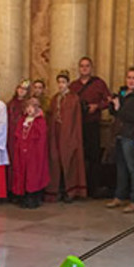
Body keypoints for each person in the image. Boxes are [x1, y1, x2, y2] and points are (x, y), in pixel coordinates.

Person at [107, 67, 134, 212]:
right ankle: (119, 196)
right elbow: (115, 112)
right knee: (121, 168)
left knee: (133, 169)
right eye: (129, 77)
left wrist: (119, 108)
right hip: (120, 133)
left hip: (132, 136)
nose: (131, 81)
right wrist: (112, 104)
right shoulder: (123, 93)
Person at [71, 57, 112, 197]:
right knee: (79, 156)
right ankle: (79, 187)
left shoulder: (99, 83)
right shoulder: (74, 86)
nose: (84, 68)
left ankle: (93, 188)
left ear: (91, 67)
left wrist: (97, 106)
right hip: (77, 125)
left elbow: (108, 100)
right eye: (82, 66)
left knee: (94, 156)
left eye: (87, 66)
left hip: (93, 124)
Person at [46, 71, 87, 203]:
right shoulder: (55, 98)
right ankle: (57, 189)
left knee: (69, 160)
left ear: (68, 83)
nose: (61, 85)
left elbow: (76, 119)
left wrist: (74, 136)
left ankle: (71, 190)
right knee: (55, 160)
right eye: (59, 82)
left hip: (69, 134)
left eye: (63, 82)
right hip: (56, 133)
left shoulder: (73, 98)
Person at [9, 97, 48, 208]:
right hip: (22, 151)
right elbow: (19, 134)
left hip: (34, 153)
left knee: (33, 173)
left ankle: (33, 197)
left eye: (32, 107)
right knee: (22, 172)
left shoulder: (40, 121)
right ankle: (23, 195)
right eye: (28, 107)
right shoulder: (23, 120)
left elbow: (40, 138)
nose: (30, 109)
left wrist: (31, 147)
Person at [6, 80, 31, 195]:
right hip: (11, 136)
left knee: (21, 163)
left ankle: (21, 190)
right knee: (11, 162)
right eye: (19, 88)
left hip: (23, 137)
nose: (21, 91)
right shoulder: (11, 103)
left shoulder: (28, 105)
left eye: (24, 89)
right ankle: (11, 189)